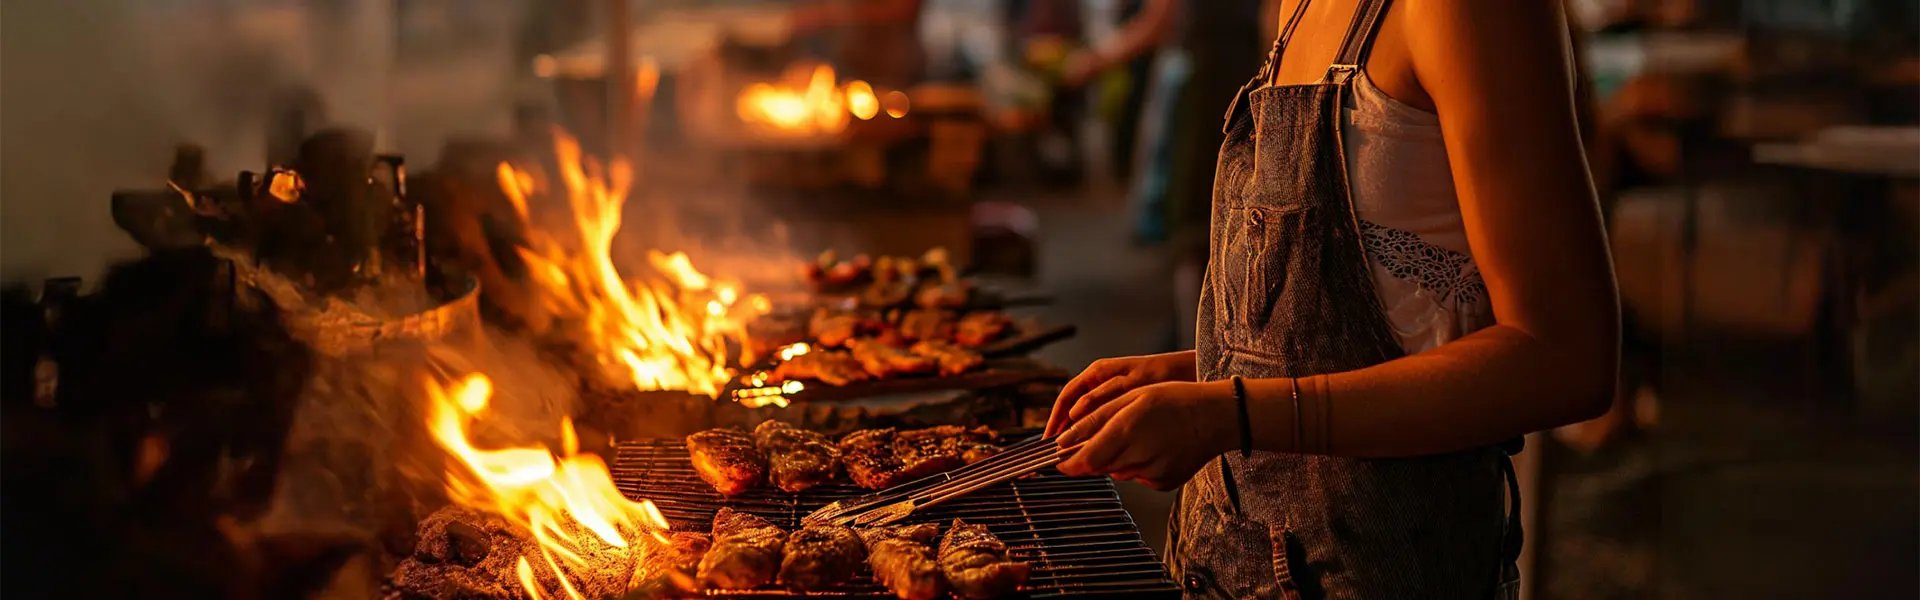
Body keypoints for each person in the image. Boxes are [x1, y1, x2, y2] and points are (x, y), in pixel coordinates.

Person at [1042, 0, 1618, 597]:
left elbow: (1563, 355)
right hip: (1220, 564)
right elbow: (1384, 323)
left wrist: (1229, 413)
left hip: (1378, 570)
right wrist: (1209, 374)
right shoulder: (1296, 7)